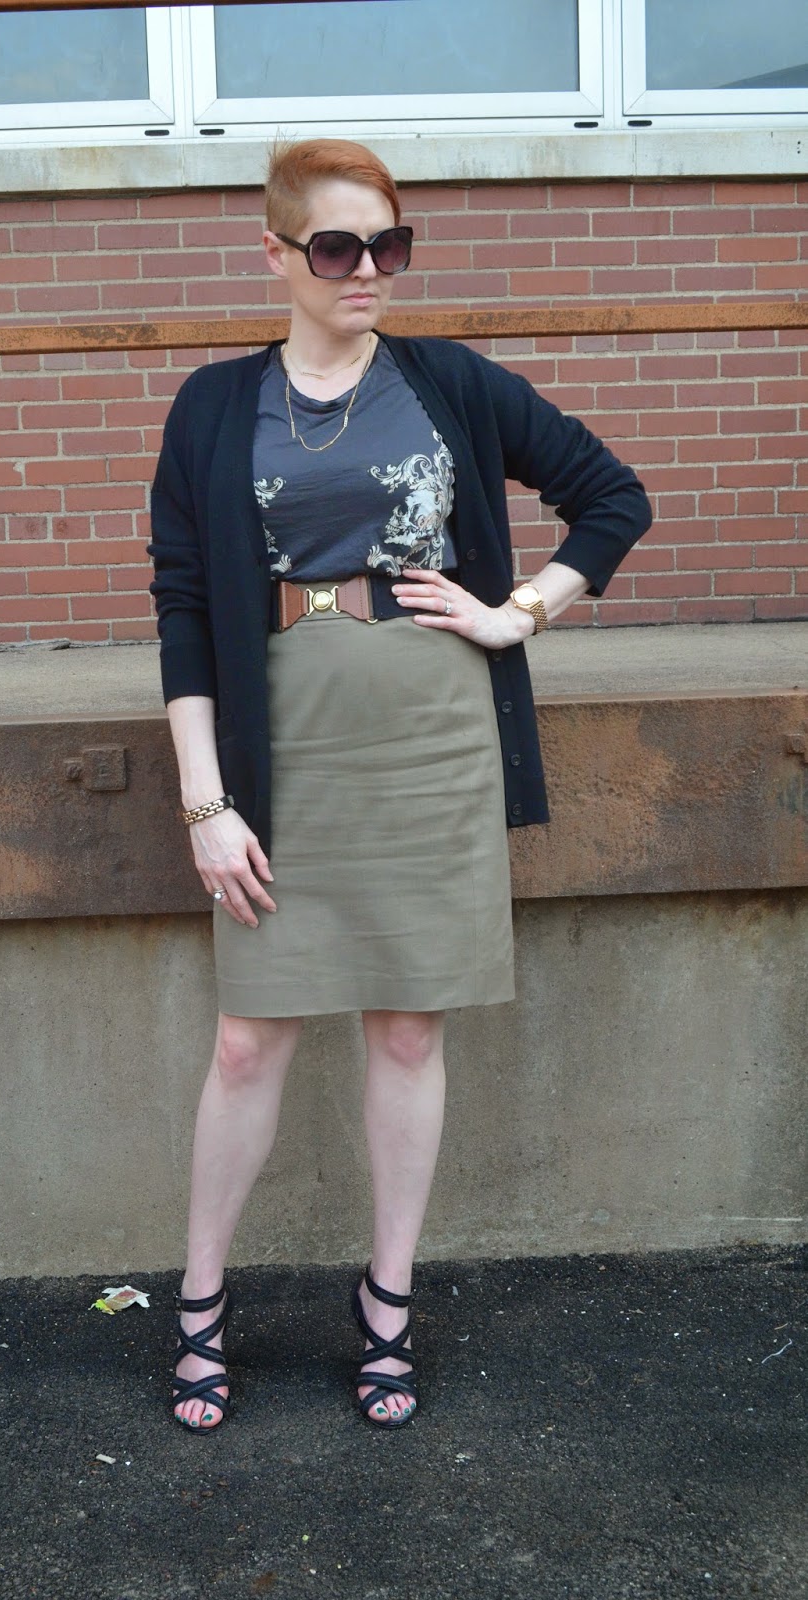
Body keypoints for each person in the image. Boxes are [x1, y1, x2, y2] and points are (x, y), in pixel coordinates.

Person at [148, 138, 651, 1432]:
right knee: (249, 1036)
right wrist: (206, 801)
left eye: (389, 245)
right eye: (337, 247)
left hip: (432, 737)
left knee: (410, 1028)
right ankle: (199, 1302)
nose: (366, 269)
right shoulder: (214, 405)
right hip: (279, 741)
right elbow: (186, 611)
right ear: (276, 254)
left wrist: (517, 612)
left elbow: (611, 498)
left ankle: (388, 1304)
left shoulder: (451, 383)